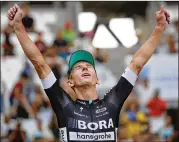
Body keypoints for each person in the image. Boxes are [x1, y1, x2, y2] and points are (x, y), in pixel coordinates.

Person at [7, 4, 170, 142]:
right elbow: (40, 64)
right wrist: (18, 27)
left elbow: (137, 63)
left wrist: (159, 28)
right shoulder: (64, 105)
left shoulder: (111, 103)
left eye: (88, 66)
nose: (84, 67)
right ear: (70, 82)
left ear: (97, 79)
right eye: (78, 67)